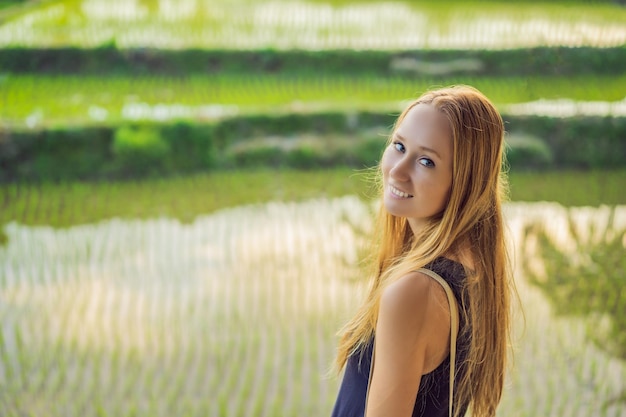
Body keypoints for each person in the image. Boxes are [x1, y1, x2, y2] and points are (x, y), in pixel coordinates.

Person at [331, 85, 513, 417]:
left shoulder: (415, 291)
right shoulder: (474, 270)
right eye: (399, 146)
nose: (398, 170)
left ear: (465, 182)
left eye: (426, 161)